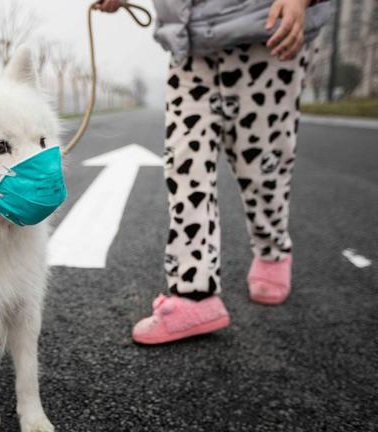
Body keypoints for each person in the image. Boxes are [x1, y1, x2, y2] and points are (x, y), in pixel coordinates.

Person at [95, 0, 331, 344]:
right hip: (190, 46)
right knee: (184, 165)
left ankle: (272, 250)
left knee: (263, 167)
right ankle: (194, 293)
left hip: (265, 34)